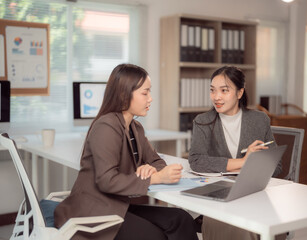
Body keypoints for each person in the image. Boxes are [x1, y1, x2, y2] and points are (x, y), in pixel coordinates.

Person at [54, 64, 199, 240]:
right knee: (156, 236)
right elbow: (107, 181)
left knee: (180, 219)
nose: (150, 99)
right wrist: (157, 178)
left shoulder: (135, 128)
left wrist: (150, 168)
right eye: (145, 93)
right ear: (124, 95)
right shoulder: (106, 126)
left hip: (116, 206)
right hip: (91, 213)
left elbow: (156, 161)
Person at [188, 66, 282, 240]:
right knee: (236, 224)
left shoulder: (259, 120)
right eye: (213, 91)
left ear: (240, 93)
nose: (216, 97)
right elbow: (196, 161)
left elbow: (276, 166)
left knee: (254, 224)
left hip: (254, 194)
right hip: (219, 197)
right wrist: (243, 162)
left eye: (224, 91)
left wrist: (257, 165)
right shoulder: (203, 121)